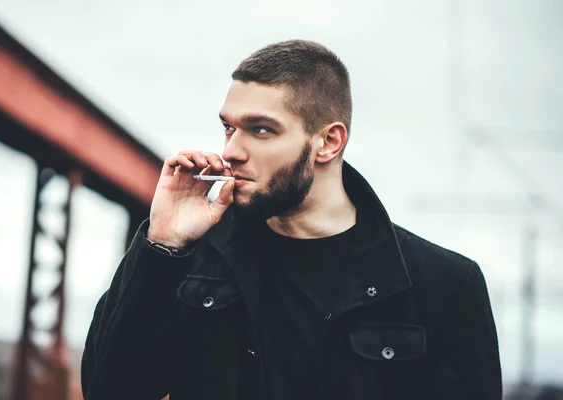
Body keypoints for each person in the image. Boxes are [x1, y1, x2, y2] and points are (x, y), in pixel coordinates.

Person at [81, 40, 502, 400]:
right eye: (228, 128)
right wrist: (162, 245)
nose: (231, 151)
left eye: (261, 130)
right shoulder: (192, 258)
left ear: (328, 142)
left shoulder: (443, 284)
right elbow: (111, 389)